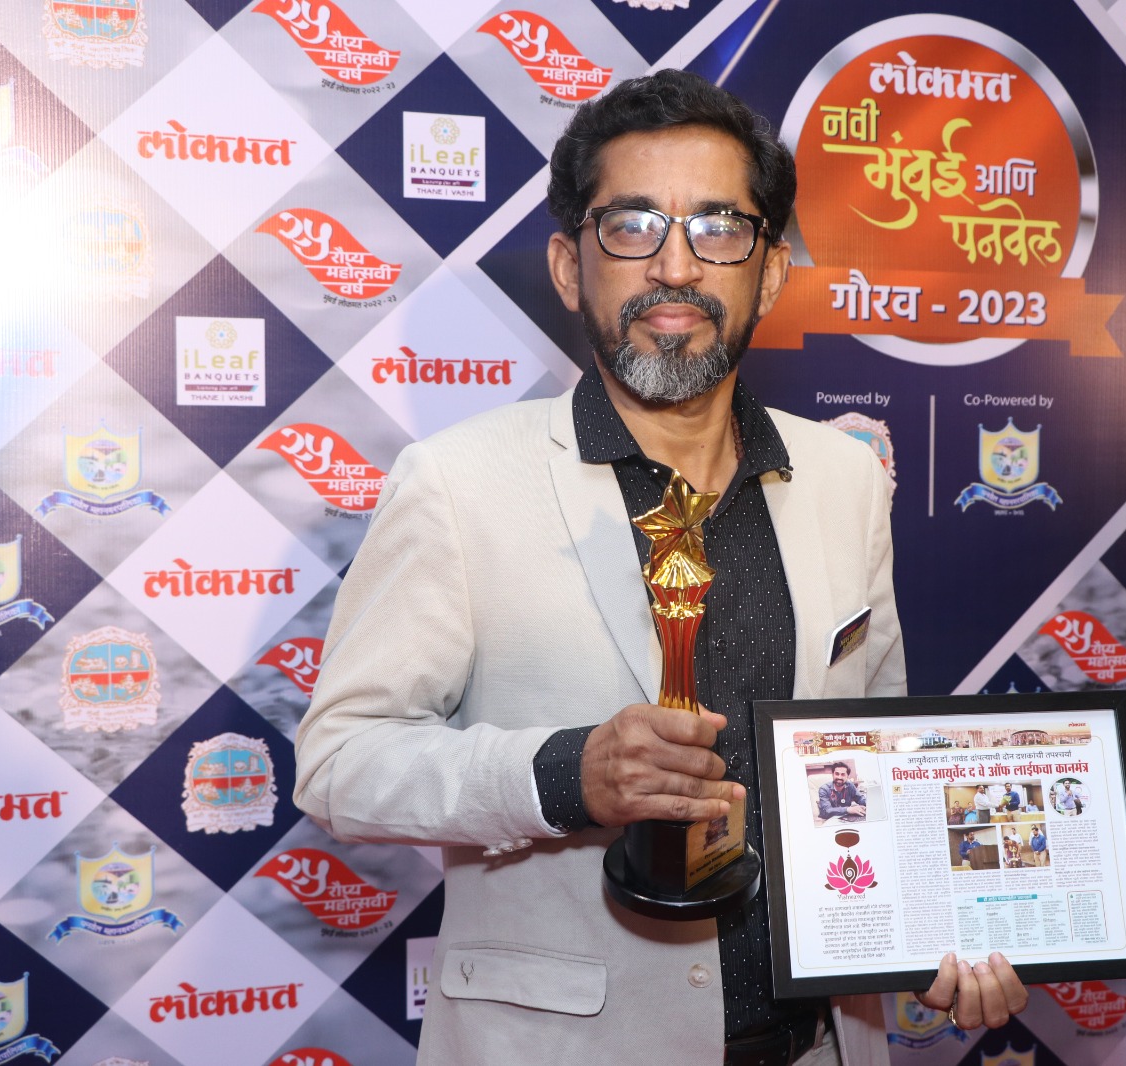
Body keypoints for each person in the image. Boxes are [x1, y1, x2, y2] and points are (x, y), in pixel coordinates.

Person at [293, 70, 1027, 1066]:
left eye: (719, 228)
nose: (675, 267)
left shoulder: (845, 475)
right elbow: (340, 765)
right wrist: (568, 773)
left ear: (770, 271)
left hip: (820, 1044)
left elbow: (875, 752)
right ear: (570, 266)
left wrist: (938, 922)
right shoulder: (456, 482)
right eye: (632, 226)